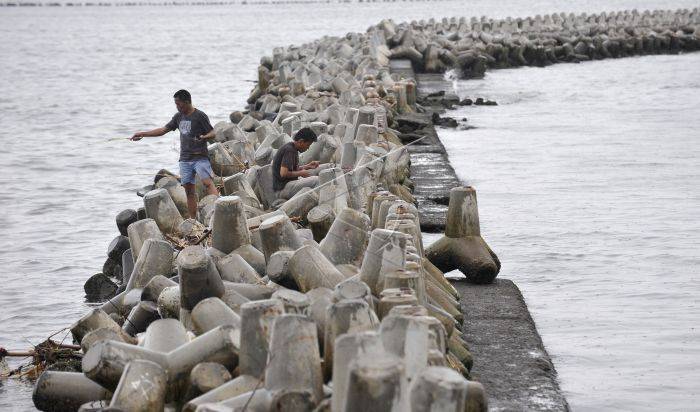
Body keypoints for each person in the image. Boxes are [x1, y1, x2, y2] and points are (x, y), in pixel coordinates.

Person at [130, 89, 218, 219]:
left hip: (200, 157)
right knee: (189, 191)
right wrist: (143, 134)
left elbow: (213, 133)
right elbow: (163, 130)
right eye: (176, 104)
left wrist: (205, 137)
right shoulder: (178, 117)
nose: (177, 107)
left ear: (187, 102)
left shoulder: (200, 116)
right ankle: (193, 221)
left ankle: (218, 210)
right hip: (185, 159)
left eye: (179, 104)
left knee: (207, 183)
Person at [272, 127, 320, 200]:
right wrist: (301, 173)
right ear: (301, 141)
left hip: (285, 186)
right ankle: (316, 203)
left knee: (312, 179)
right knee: (317, 180)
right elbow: (283, 173)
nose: (308, 148)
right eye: (308, 145)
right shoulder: (289, 150)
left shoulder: (293, 148)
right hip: (283, 189)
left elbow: (293, 169)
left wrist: (308, 166)